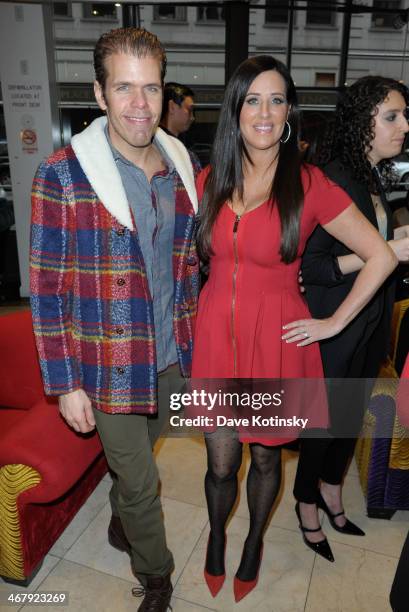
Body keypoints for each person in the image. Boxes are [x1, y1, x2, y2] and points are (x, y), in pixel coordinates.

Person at [192, 55, 397, 602]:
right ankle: (216, 536)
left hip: (277, 343)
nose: (264, 111)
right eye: (252, 100)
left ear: (289, 114)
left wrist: (332, 323)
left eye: (277, 100)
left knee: (263, 457)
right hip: (216, 337)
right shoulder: (210, 178)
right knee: (220, 459)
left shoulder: (310, 184)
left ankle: (254, 541)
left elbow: (379, 256)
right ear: (235, 111)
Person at [30, 27, 200, 612]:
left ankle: (120, 520)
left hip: (173, 356)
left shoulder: (181, 163)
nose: (139, 104)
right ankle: (157, 577)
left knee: (135, 470)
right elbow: (47, 290)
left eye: (150, 88)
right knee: (143, 480)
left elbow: (188, 266)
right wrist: (65, 384)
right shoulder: (63, 174)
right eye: (123, 88)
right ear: (99, 94)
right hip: (104, 364)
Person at [293, 76, 409, 562]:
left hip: (368, 323)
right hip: (336, 322)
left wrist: (390, 242)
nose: (404, 126)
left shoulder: (370, 175)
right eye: (393, 117)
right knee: (324, 424)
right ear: (364, 122)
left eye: (403, 116)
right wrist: (383, 253)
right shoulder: (335, 176)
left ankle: (333, 492)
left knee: (347, 421)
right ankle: (306, 506)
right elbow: (310, 268)